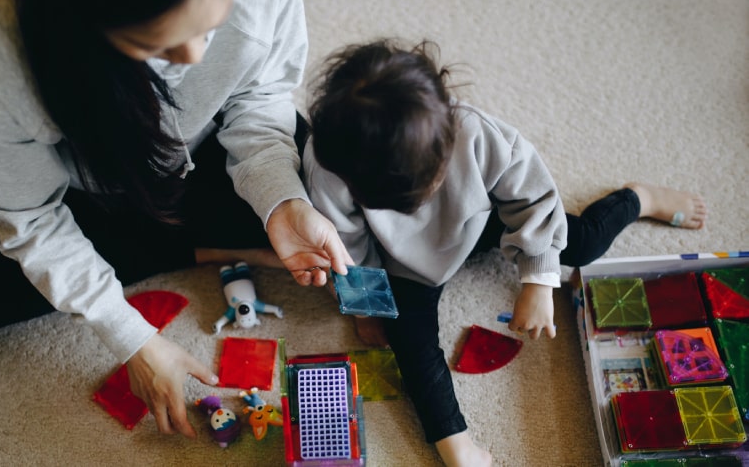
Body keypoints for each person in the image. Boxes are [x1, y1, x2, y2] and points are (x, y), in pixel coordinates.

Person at [0, 0, 351, 440]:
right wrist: (132, 339)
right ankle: (198, 247)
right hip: (81, 180)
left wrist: (280, 199)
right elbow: (29, 216)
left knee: (339, 186)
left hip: (202, 149)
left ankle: (181, 243)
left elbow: (260, 93)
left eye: (209, 28)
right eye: (159, 48)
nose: (197, 57)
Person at [302, 39, 707, 467]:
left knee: (584, 242)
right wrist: (366, 308)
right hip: (405, 263)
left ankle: (637, 199)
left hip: (481, 217)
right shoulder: (330, 164)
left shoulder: (478, 134)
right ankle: (455, 443)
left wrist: (538, 278)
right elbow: (345, 246)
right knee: (411, 347)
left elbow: (535, 202)